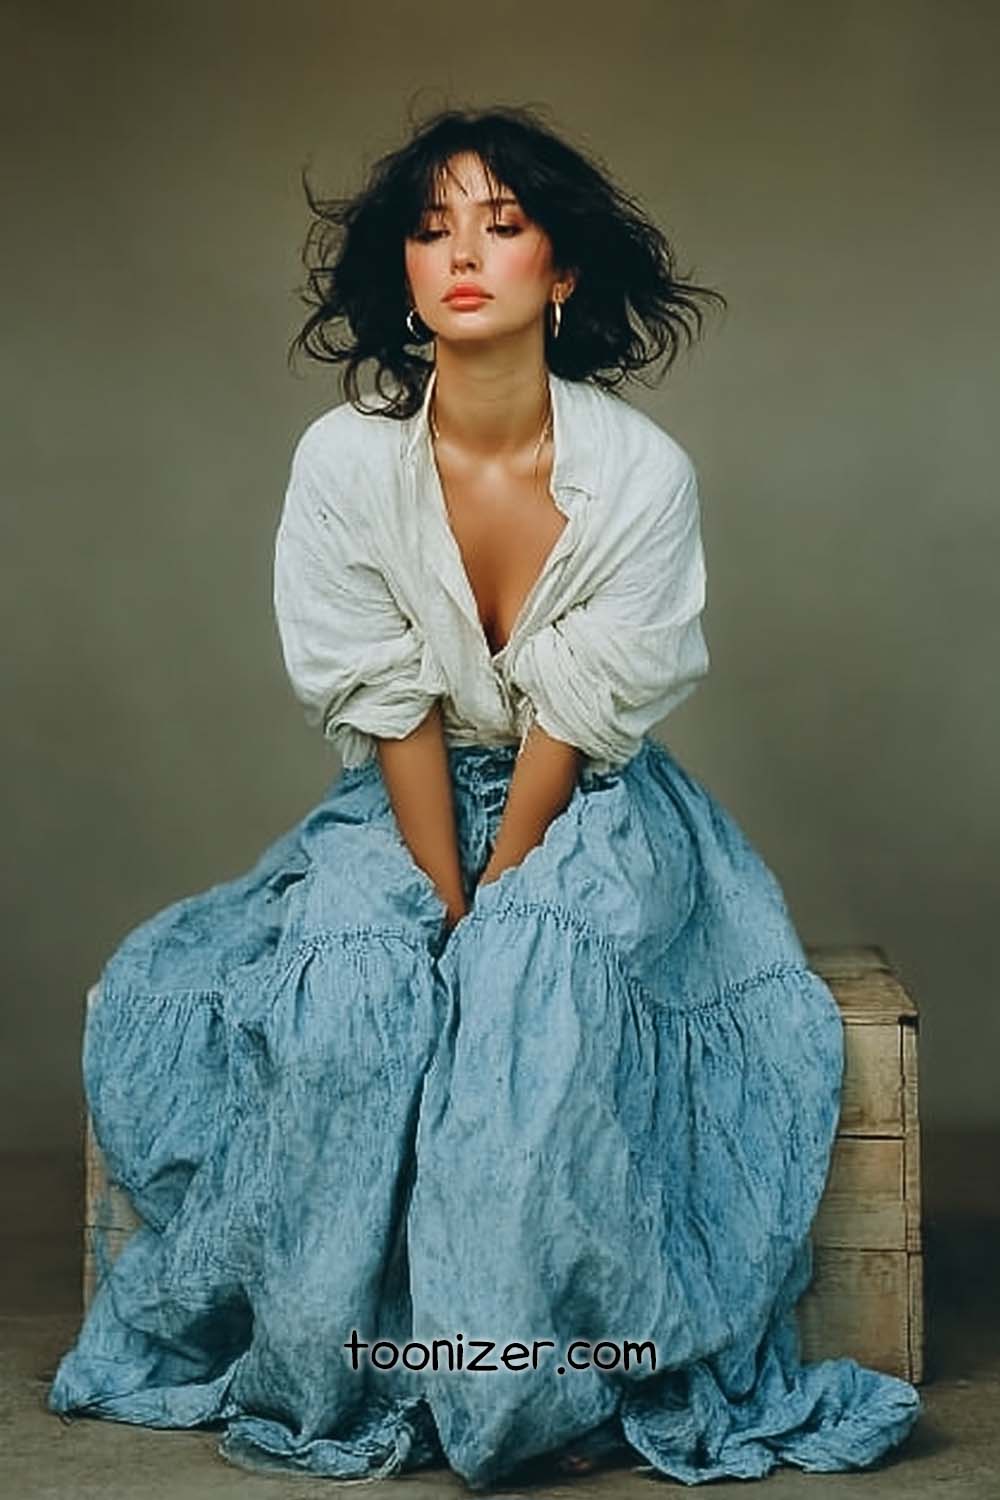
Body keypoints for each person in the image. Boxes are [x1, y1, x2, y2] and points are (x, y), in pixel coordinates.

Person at [47, 105, 922, 1488]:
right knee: (352, 1004)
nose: (463, 254)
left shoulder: (640, 473)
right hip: (403, 800)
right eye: (431, 226)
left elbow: (576, 717)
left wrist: (502, 893)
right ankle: (345, 1351)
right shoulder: (343, 465)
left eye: (502, 225)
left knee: (526, 992)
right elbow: (389, 701)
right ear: (402, 272)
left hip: (595, 803)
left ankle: (517, 1386)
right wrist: (441, 893)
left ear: (559, 272)